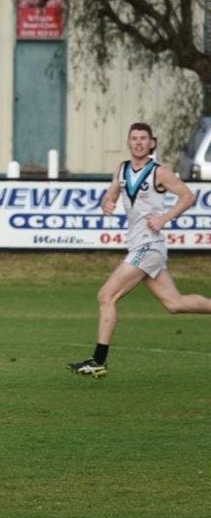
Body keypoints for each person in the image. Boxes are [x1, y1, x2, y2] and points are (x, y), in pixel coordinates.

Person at [67, 122, 211, 378]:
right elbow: (111, 194)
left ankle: (98, 360)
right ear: (128, 143)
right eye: (134, 138)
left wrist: (164, 219)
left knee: (106, 296)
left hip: (149, 245)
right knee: (174, 304)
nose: (139, 142)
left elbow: (188, 196)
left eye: (143, 138)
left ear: (152, 143)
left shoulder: (160, 173)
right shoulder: (121, 169)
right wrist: (107, 203)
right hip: (138, 244)